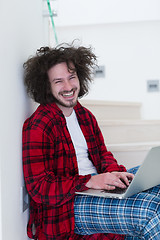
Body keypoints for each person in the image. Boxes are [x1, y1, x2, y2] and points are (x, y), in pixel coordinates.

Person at [22, 44, 160, 240]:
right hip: (69, 206)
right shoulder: (38, 126)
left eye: (72, 78)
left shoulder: (84, 115)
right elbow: (39, 187)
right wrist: (89, 181)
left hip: (98, 188)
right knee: (151, 211)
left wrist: (113, 172)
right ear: (47, 86)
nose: (69, 87)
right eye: (59, 81)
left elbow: (103, 154)